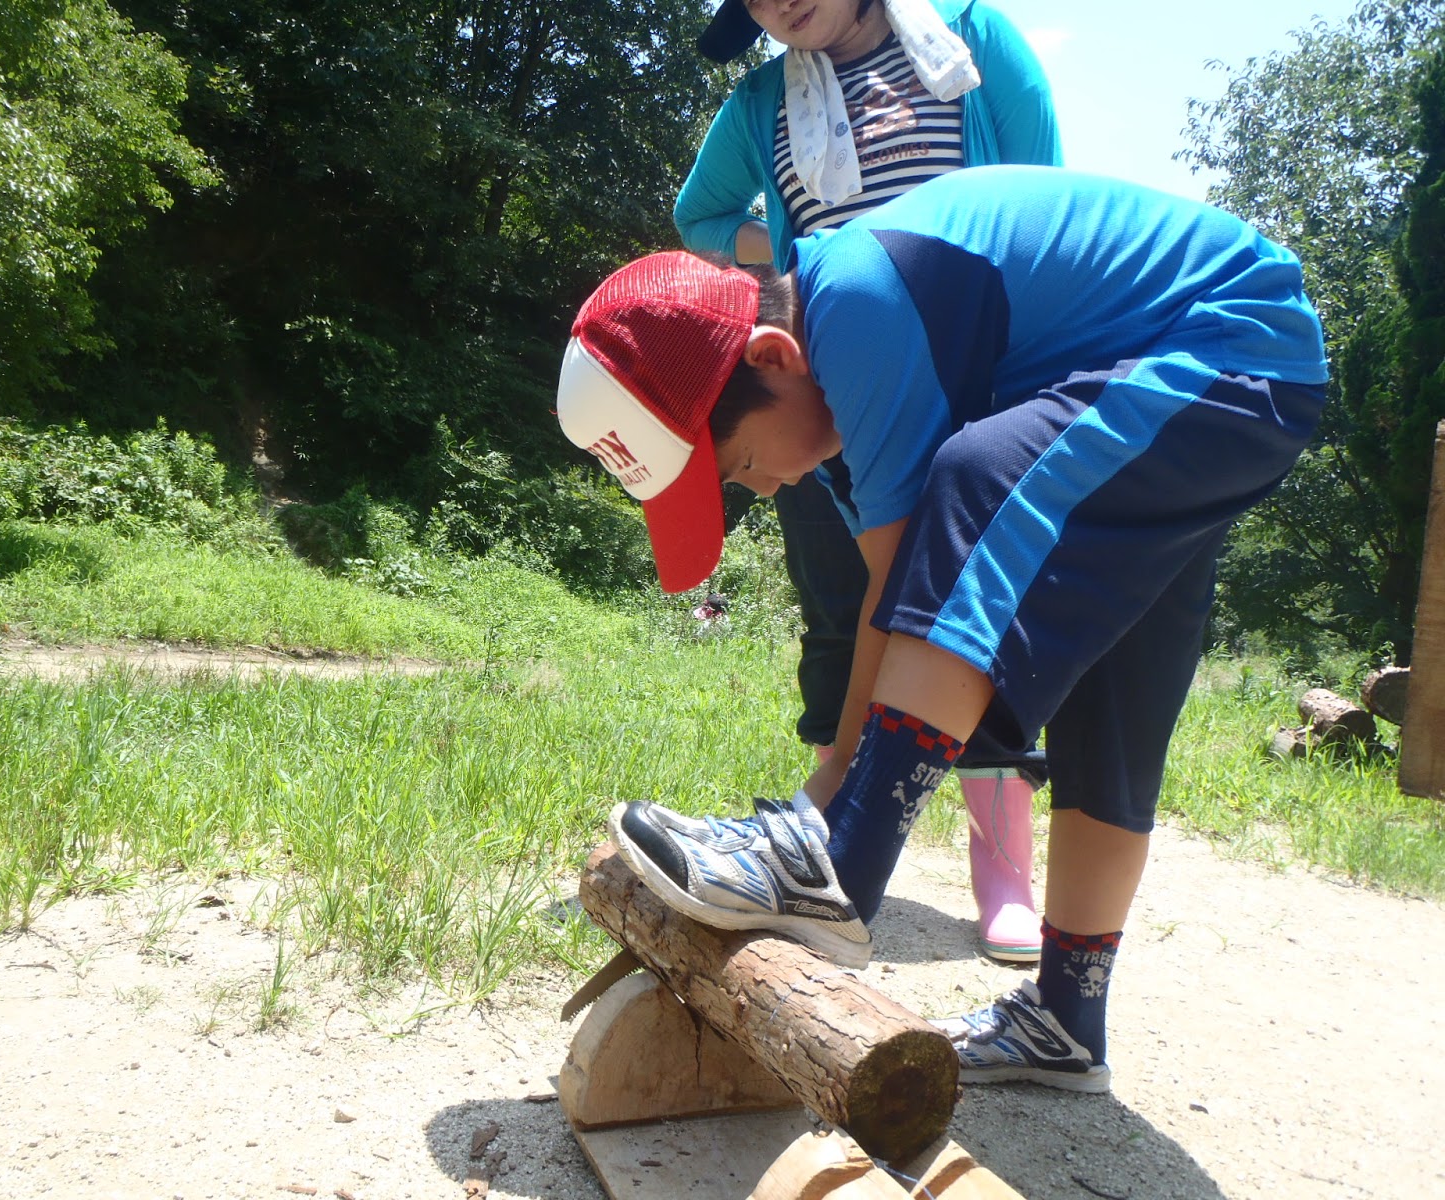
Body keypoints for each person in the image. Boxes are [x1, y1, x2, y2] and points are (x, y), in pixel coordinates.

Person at [555, 166, 1327, 1091]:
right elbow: (893, 606)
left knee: (978, 481)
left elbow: (908, 578)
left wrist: (825, 810)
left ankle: (840, 870)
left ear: (772, 357)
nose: (754, 489)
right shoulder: (834, 397)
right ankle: (1067, 1018)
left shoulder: (855, 304)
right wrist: (827, 786)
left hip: (1229, 342)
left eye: (738, 462)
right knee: (1113, 694)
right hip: (1196, 378)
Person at [676, 0, 1061, 963]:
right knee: (841, 606)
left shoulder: (972, 36)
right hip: (823, 375)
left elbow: (1043, 191)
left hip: (982, 367)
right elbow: (700, 217)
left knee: (984, 609)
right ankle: (832, 823)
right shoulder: (760, 100)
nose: (779, 3)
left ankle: (1002, 867)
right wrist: (791, 253)